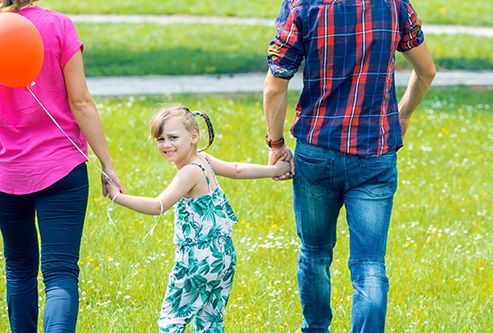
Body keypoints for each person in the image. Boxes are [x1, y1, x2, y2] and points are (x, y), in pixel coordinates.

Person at [263, 0, 436, 332]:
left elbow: (275, 85)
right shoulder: (394, 5)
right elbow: (426, 70)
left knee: (314, 253)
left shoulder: (302, 6)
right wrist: (403, 113)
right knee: (370, 265)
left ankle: (315, 329)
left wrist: (276, 144)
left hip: (317, 151)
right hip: (375, 152)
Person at [104, 105, 290, 332]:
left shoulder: (189, 172)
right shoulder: (205, 160)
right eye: (160, 139)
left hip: (197, 259)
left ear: (194, 136)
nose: (166, 144)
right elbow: (237, 170)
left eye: (173, 137)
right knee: (210, 320)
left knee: (173, 319)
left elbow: (157, 206)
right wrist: (276, 169)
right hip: (223, 256)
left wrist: (117, 197)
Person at [0, 0, 124, 332]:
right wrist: (106, 163)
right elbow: (80, 101)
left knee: (18, 269)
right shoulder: (58, 25)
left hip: (6, 173)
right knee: (60, 272)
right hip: (62, 167)